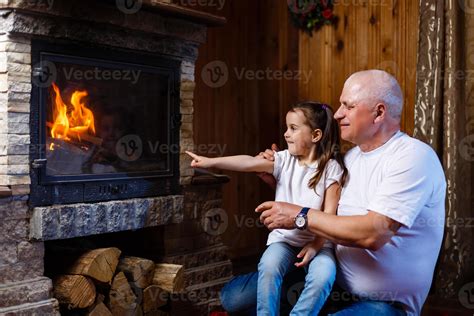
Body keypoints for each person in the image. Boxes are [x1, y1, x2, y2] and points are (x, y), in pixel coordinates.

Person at [221, 70, 447, 316]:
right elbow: (322, 207)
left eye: (348, 106)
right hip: (331, 281)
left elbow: (373, 233)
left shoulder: (413, 156)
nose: (338, 114)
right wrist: (279, 182)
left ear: (379, 113)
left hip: (384, 303)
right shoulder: (349, 158)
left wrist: (300, 215)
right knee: (233, 299)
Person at [186, 101, 348, 315]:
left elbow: (330, 215)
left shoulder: (331, 168)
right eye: (286, 127)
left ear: (315, 135)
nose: (285, 134)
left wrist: (316, 245)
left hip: (318, 243)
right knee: (269, 267)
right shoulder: (283, 159)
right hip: (284, 241)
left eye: (293, 128)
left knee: (324, 275)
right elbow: (247, 163)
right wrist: (210, 161)